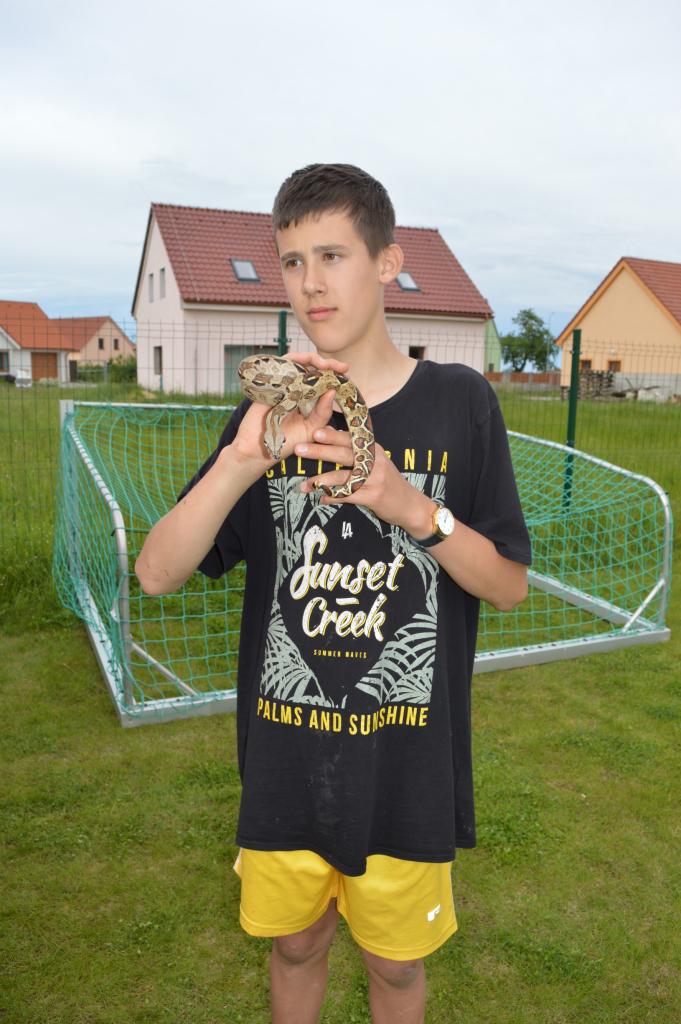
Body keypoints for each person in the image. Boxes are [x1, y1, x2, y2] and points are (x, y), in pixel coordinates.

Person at [135, 162, 532, 1024]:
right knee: (295, 945)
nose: (309, 283)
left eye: (332, 256)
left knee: (395, 968)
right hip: (285, 760)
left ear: (387, 263)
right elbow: (156, 574)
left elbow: (507, 586)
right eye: (291, 261)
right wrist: (243, 459)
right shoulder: (271, 420)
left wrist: (409, 506)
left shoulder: (459, 402)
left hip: (407, 765)